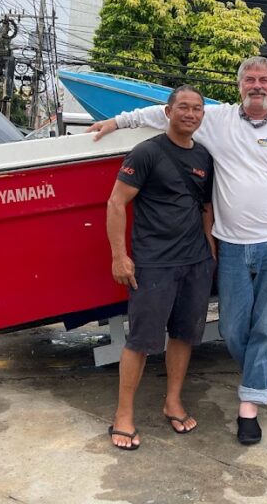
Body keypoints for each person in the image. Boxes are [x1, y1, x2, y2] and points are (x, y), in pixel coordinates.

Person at [91, 56, 267, 445]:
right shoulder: (216, 119)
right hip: (229, 244)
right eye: (250, 79)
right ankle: (255, 378)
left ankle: (249, 405)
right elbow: (163, 113)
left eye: (264, 79)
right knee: (231, 328)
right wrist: (118, 121)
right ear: (239, 86)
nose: (257, 86)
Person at [106, 86, 216, 451]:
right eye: (183, 107)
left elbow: (204, 207)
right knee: (141, 340)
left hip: (195, 261)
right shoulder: (147, 152)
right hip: (154, 263)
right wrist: (119, 256)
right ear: (167, 112)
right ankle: (123, 415)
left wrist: (210, 249)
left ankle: (173, 400)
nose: (190, 113)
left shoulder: (204, 155)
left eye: (197, 108)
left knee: (185, 335)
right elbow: (116, 203)